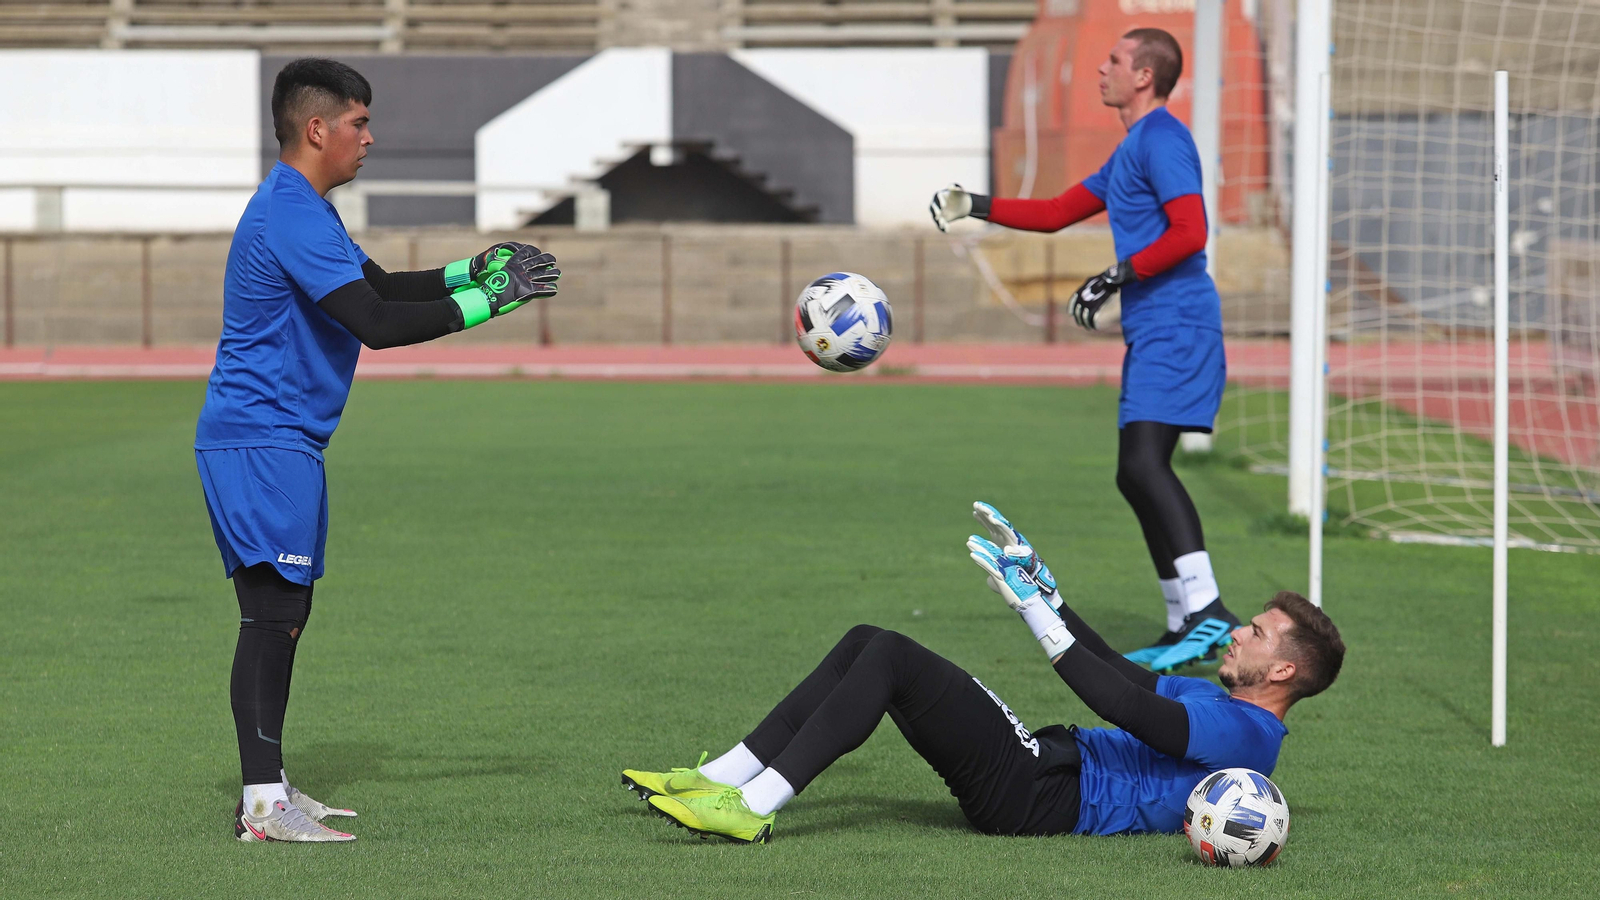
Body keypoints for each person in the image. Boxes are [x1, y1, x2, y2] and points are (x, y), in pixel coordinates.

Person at [195, 57, 560, 843]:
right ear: (317, 128)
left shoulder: (304, 208)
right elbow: (379, 326)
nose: (371, 137)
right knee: (271, 617)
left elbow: (386, 288)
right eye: (359, 123)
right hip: (261, 437)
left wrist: (475, 268)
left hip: (279, 439)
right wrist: (489, 302)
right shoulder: (289, 212)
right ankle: (263, 806)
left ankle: (269, 789)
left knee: (284, 615)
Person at [623, 504, 1344, 844]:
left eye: (1254, 633)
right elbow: (1122, 671)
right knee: (867, 640)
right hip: (1040, 769)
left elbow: (1124, 706)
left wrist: (1034, 616)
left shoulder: (1251, 740)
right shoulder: (1222, 700)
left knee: (892, 658)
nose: (1237, 635)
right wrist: (1051, 591)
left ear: (1281, 668)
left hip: (1039, 796)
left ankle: (753, 807)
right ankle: (726, 774)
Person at [929, 28, 1235, 670]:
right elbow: (1056, 210)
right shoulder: (1133, 147)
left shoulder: (1165, 139)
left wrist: (1117, 274)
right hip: (1155, 327)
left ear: (1145, 76)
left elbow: (1191, 230)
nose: (1101, 69)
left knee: (1146, 466)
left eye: (1115, 61)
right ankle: (1186, 620)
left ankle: (1207, 612)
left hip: (1179, 324)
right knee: (1135, 469)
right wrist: (974, 204)